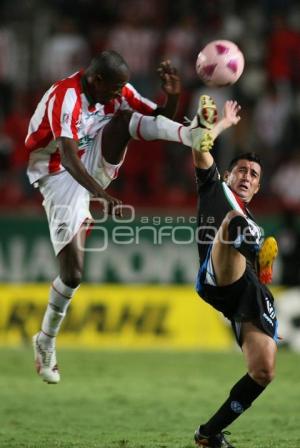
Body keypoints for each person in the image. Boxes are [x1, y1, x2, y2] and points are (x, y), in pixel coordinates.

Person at [26, 50, 211, 384]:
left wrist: (173, 97)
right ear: (96, 80)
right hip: (58, 173)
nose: (118, 95)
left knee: (127, 120)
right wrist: (101, 194)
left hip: (90, 156)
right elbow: (67, 157)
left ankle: (193, 135)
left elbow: (156, 117)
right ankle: (46, 340)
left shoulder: (116, 88)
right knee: (73, 275)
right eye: (113, 91)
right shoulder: (64, 98)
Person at [191, 96, 279, 448]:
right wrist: (223, 122)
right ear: (228, 174)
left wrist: (264, 272)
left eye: (253, 175)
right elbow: (199, 144)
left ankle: (209, 434)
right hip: (217, 274)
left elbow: (257, 279)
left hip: (246, 291)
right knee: (233, 222)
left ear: (257, 188)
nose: (246, 176)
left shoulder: (253, 219)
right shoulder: (215, 187)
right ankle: (256, 249)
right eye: (241, 170)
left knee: (264, 370)